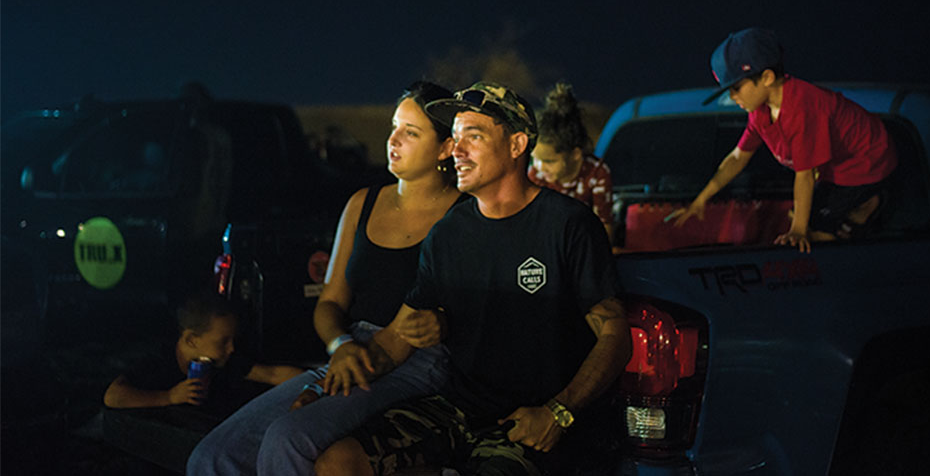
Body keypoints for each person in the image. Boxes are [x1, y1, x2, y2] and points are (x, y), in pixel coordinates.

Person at [315, 81, 631, 476]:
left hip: (532, 418)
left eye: (474, 136)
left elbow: (615, 332)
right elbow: (399, 337)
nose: (457, 150)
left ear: (517, 146)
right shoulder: (448, 232)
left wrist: (559, 413)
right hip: (459, 408)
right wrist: (325, 385)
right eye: (455, 136)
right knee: (338, 464)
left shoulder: (567, 225)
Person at [186, 81, 463, 476]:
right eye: (394, 127)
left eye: (411, 132)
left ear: (446, 148)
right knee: (213, 457)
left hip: (418, 361)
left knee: (288, 440)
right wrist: (341, 343)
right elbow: (330, 302)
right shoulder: (362, 203)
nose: (393, 140)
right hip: (351, 351)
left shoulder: (462, 216)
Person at [672, 27, 898, 252]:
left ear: (767, 77)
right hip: (832, 167)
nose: (731, 97)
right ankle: (856, 209)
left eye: (736, 88)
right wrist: (701, 200)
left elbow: (805, 176)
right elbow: (738, 157)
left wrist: (798, 231)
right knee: (799, 212)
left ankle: (865, 205)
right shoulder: (759, 111)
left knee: (814, 230)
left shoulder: (802, 108)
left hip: (866, 163)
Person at [103, 292, 303, 409]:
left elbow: (271, 374)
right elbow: (113, 396)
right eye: (223, 341)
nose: (231, 348)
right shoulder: (159, 357)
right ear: (191, 340)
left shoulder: (223, 361)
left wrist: (319, 382)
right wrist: (169, 397)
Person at [528, 82, 614, 241]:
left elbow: (605, 228)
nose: (539, 167)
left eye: (549, 161)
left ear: (575, 154)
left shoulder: (596, 174)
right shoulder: (535, 177)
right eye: (534, 159)